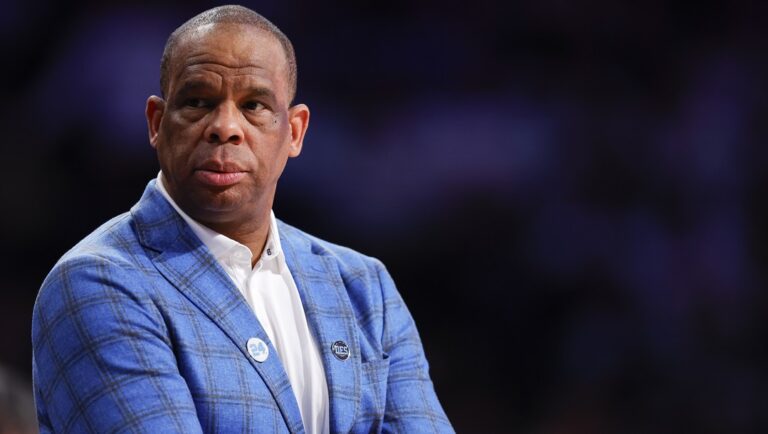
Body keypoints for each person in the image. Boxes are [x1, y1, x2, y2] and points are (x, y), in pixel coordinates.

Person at [31, 5, 453, 434]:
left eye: (253, 105)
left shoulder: (364, 287)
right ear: (157, 123)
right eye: (198, 102)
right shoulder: (97, 283)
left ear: (294, 132)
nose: (226, 127)